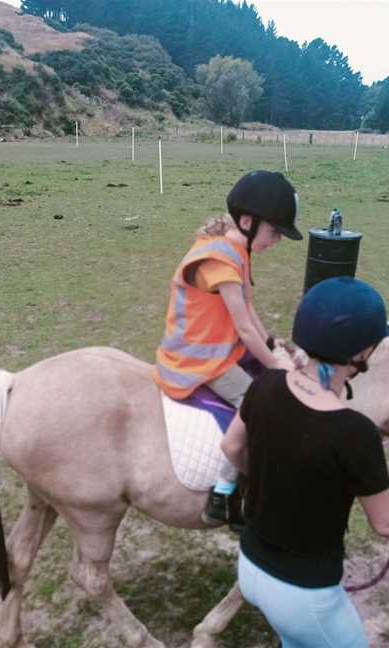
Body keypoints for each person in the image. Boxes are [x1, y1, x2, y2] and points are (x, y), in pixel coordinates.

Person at [221, 277, 389, 647]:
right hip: (304, 595)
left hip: (249, 567)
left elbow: (231, 448)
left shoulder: (265, 384)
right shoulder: (354, 433)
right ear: (362, 352)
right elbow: (386, 523)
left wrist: (271, 481)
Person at [152, 170, 301, 525]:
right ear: (248, 221)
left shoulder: (236, 250)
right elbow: (244, 328)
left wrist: (271, 345)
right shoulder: (218, 259)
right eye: (274, 231)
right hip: (200, 360)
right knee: (260, 408)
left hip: (219, 350)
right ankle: (225, 493)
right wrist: (277, 365)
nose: (276, 240)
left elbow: (249, 311)